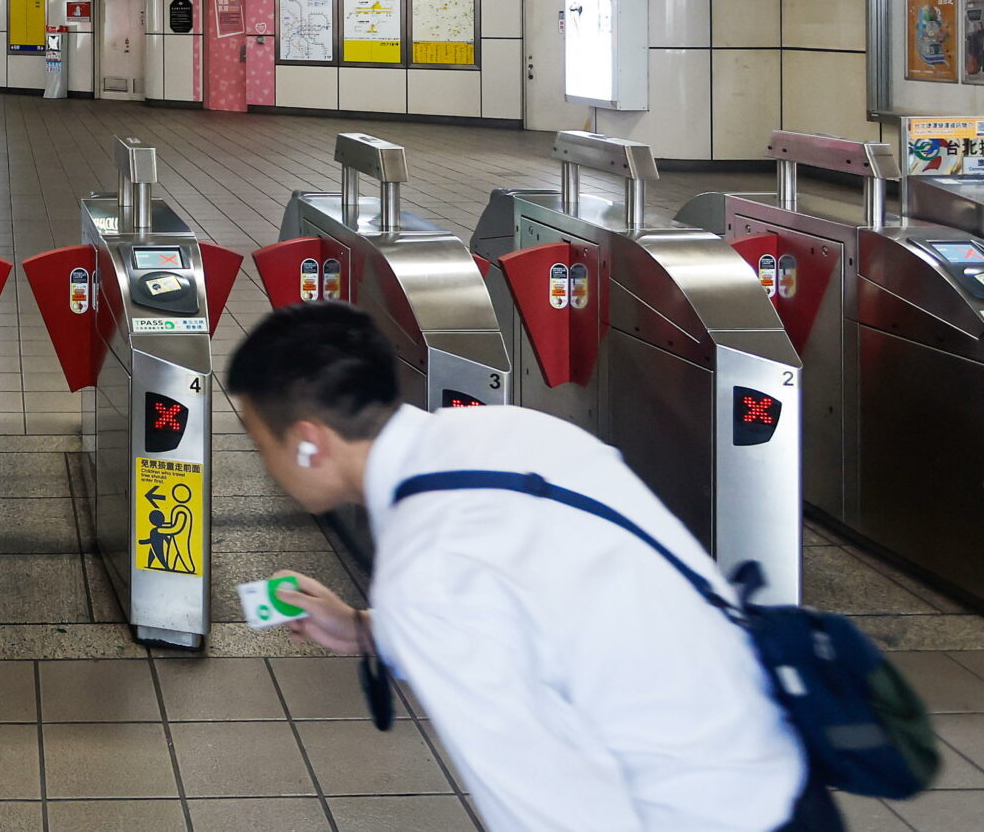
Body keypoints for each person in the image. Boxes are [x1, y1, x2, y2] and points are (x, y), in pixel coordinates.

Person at [229, 303, 808, 832]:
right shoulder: (508, 429)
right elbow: (538, 599)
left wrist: (403, 618)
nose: (265, 463)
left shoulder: (427, 566)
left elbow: (553, 809)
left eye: (261, 444)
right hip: (771, 758)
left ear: (310, 442)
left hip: (698, 812)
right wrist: (366, 629)